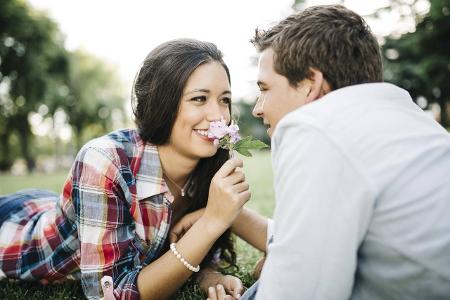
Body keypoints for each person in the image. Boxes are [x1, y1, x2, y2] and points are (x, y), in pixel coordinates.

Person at [0, 39, 251, 299]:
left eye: (224, 100)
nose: (218, 116)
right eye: (199, 98)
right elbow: (110, 293)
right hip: (15, 232)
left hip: (52, 203)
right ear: (161, 102)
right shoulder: (104, 160)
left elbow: (184, 250)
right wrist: (211, 222)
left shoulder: (210, 163)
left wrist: (209, 275)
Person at [241, 4, 450, 300]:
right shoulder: (409, 119)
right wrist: (229, 216)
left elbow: (299, 292)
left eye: (265, 88)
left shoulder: (314, 127)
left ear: (311, 84)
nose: (258, 108)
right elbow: (315, 238)